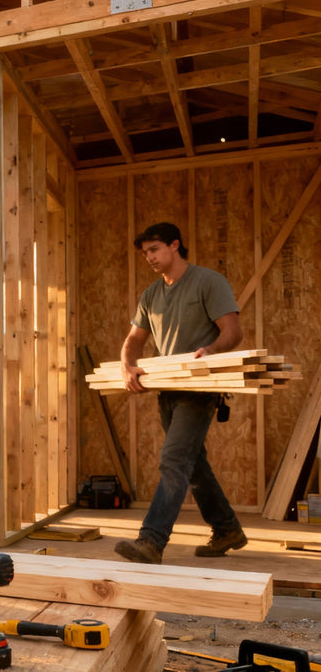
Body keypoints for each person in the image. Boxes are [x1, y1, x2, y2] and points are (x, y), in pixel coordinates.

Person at [113, 222, 247, 566]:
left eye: (154, 249)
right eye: (145, 253)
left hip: (199, 389)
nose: (149, 257)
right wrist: (127, 365)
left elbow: (232, 331)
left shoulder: (207, 282)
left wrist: (212, 350)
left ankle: (151, 541)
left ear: (175, 245)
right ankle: (227, 528)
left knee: (173, 459)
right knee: (193, 463)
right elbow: (134, 340)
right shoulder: (151, 295)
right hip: (167, 390)